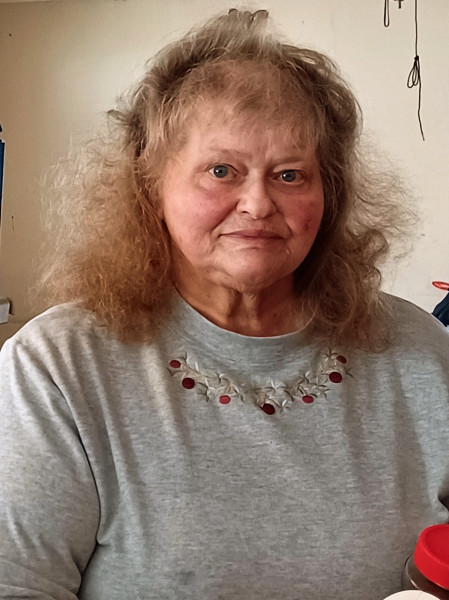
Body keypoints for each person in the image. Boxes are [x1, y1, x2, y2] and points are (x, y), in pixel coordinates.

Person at [0, 8, 448, 600]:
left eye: (290, 175)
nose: (257, 203)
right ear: (151, 188)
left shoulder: (422, 351)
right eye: (221, 170)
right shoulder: (56, 369)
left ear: (328, 195)